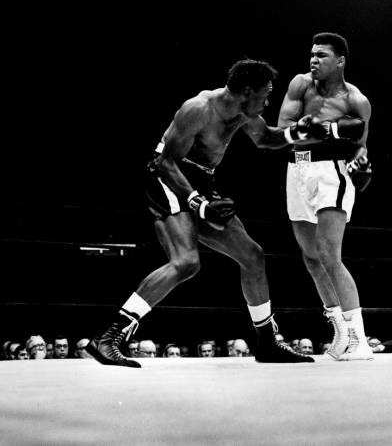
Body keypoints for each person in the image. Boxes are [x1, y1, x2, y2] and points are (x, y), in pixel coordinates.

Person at [87, 59, 318, 367]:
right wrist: (198, 202)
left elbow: (266, 138)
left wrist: (298, 133)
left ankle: (266, 342)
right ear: (247, 91)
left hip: (201, 181)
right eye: (265, 94)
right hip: (167, 176)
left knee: (252, 256)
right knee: (186, 262)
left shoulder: (244, 113)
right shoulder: (198, 108)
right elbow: (166, 162)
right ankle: (109, 337)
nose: (268, 101)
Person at [277, 32, 373, 360]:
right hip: (297, 170)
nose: (313, 60)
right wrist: (313, 127)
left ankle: (360, 339)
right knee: (311, 257)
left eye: (322, 55)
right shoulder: (300, 85)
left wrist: (358, 158)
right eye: (312, 54)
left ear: (340, 61)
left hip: (332, 172)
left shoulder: (356, 100)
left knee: (330, 253)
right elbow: (282, 127)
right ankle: (341, 331)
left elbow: (360, 142)